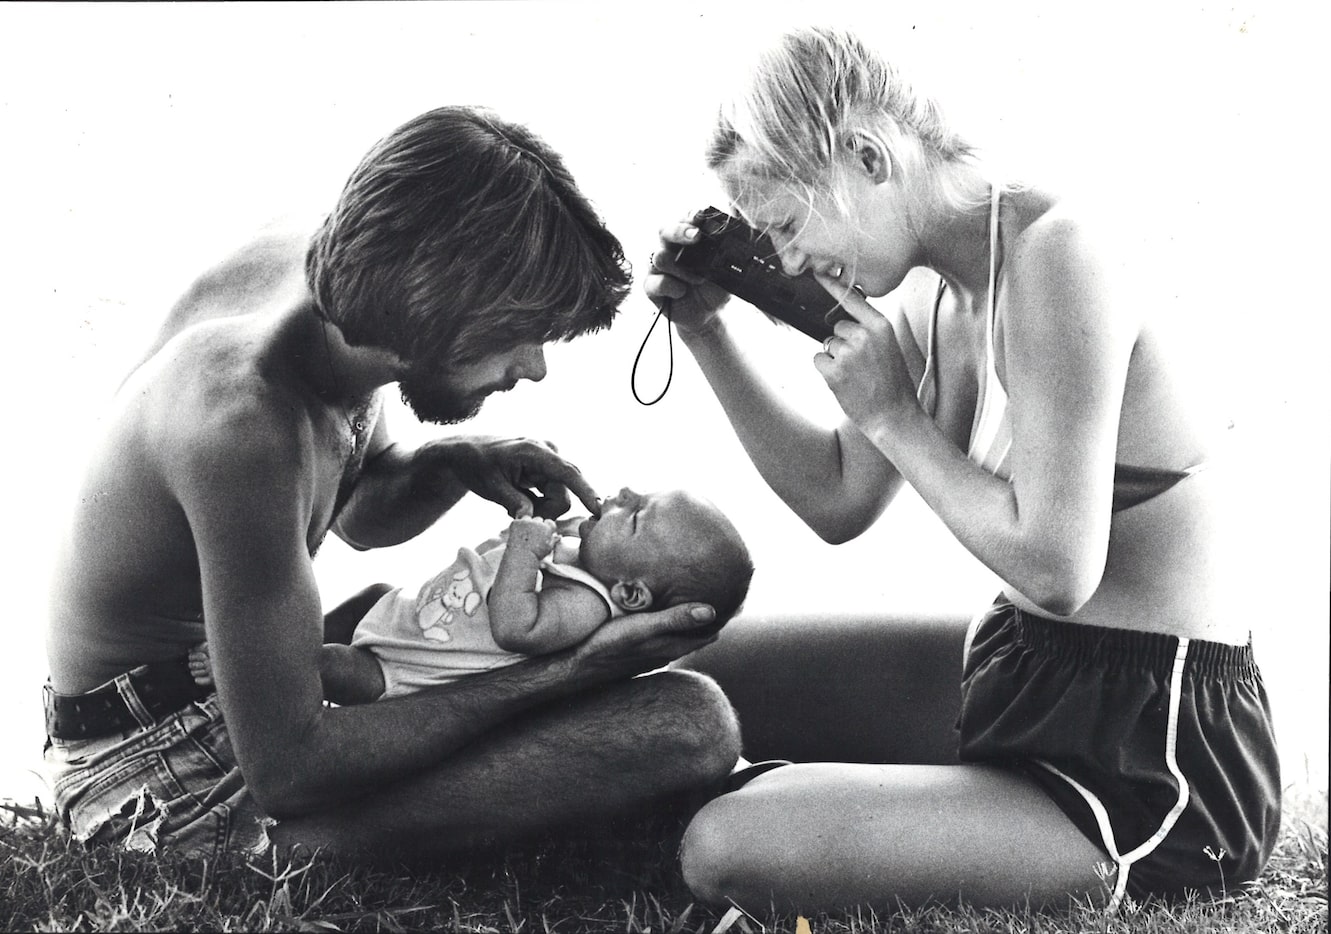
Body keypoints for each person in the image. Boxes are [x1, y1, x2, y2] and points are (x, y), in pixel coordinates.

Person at [646, 27, 1280, 912]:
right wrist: (706, 331)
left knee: (727, 843)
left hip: (1147, 753)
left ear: (866, 154)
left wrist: (894, 418)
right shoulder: (930, 285)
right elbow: (839, 498)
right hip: (1022, 668)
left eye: (787, 224)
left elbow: (1060, 570)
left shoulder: (1058, 255)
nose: (787, 262)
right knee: (696, 674)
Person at [43, 104, 742, 861]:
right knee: (686, 722)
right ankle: (291, 853)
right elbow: (288, 768)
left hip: (226, 685)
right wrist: (569, 674)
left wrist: (453, 461)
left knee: (668, 668)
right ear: (435, 313)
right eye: (521, 334)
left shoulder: (332, 293)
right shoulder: (240, 424)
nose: (533, 366)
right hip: (147, 768)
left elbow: (356, 510)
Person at [188, 489, 754, 705]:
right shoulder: (592, 557)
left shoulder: (588, 607)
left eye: (634, 517)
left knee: (329, 666)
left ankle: (241, 667)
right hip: (413, 622)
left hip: (410, 674)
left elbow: (516, 626)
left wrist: (528, 553)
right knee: (369, 596)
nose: (624, 494)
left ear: (631, 594)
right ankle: (272, 651)